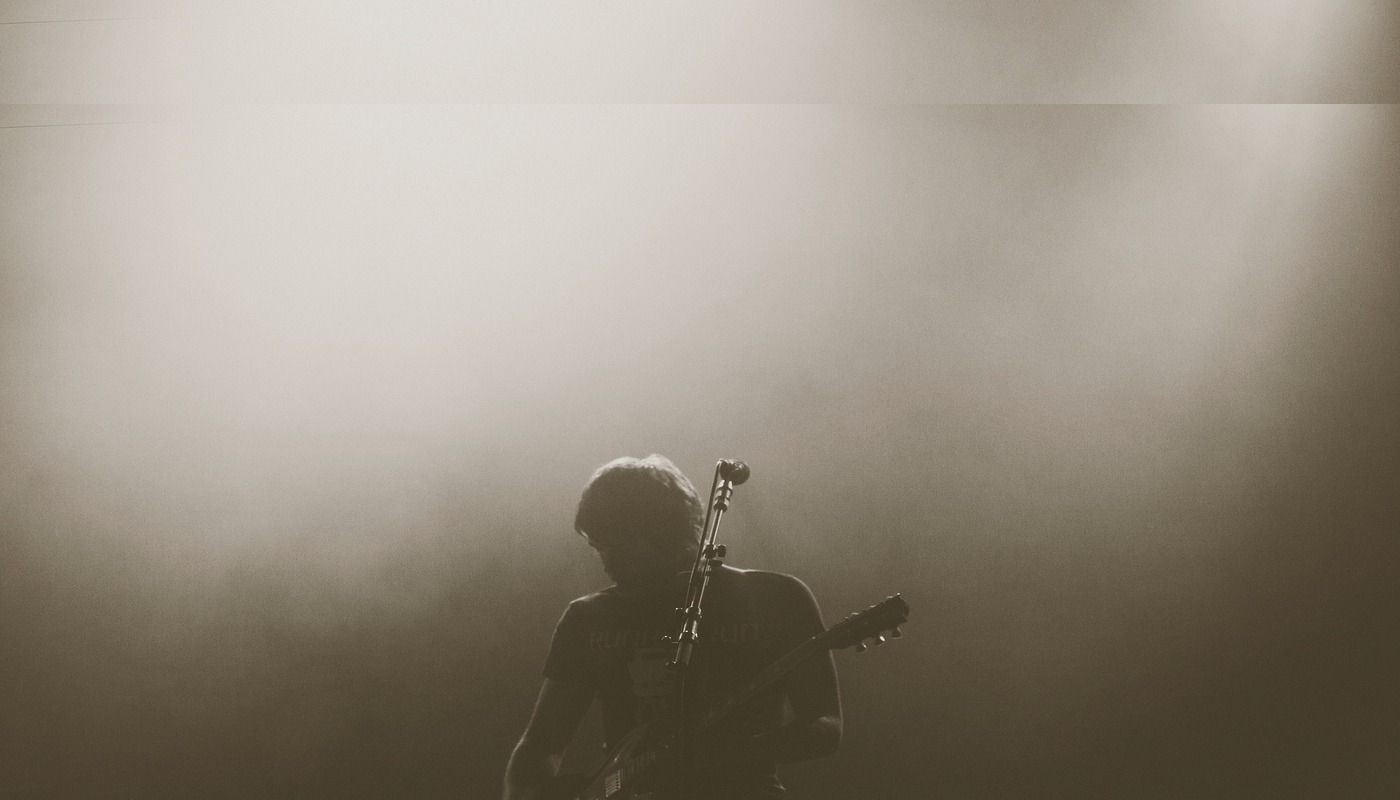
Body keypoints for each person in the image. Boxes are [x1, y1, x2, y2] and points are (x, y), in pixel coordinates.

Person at [503, 455, 842, 800]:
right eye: (599, 546)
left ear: (667, 532)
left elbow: (827, 724)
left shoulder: (774, 598)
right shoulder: (588, 618)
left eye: (621, 543)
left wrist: (740, 750)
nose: (608, 558)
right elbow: (541, 745)